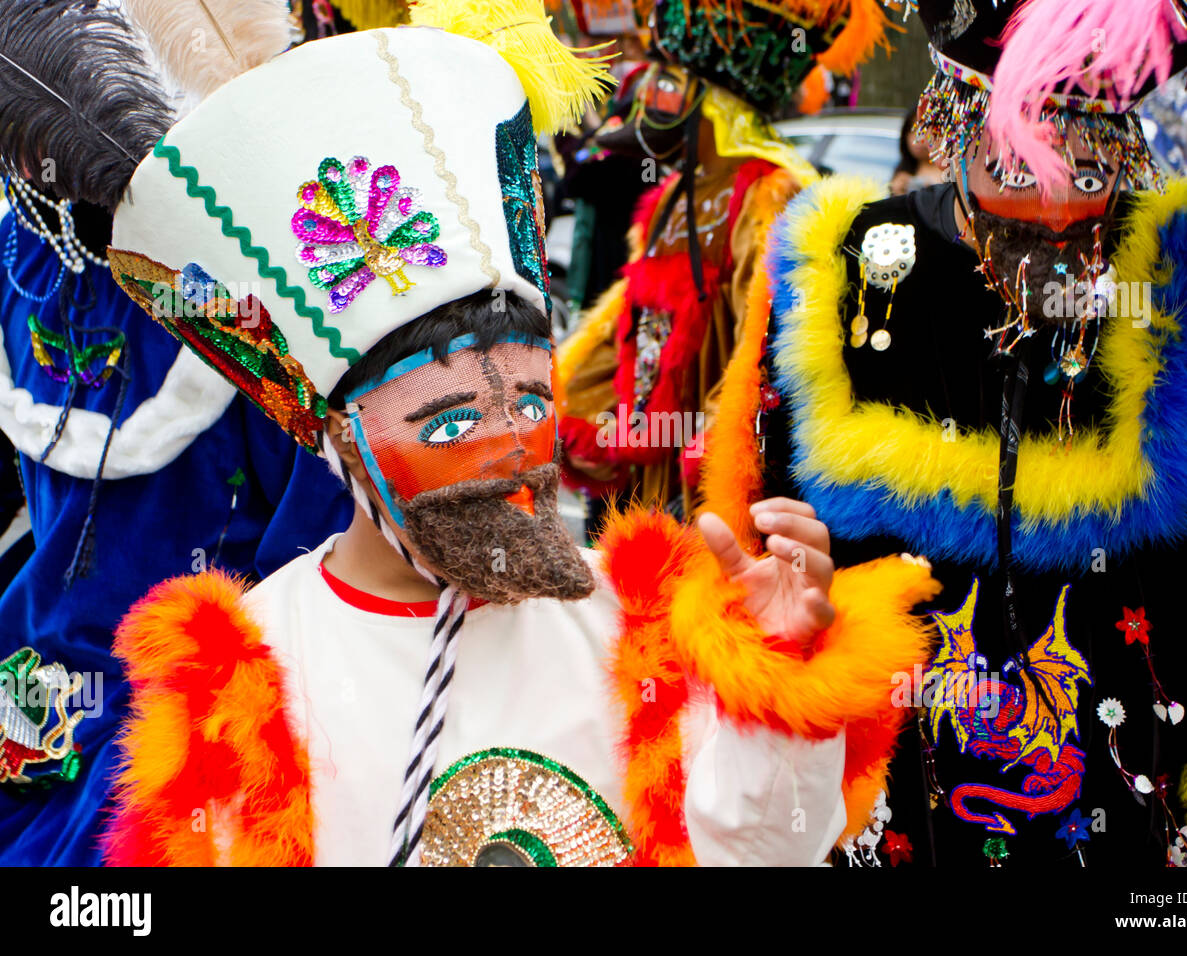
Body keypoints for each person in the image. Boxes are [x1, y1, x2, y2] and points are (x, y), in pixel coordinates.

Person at [91, 0, 939, 867]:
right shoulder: (253, 671)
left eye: (533, 403)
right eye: (452, 418)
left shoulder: (636, 625)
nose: (513, 448)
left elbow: (763, 853)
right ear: (339, 436)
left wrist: (776, 683)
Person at [702, 0, 1187, 866]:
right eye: (1022, 155)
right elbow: (747, 556)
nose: (1056, 194)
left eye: (1093, 159)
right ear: (961, 120)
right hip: (890, 813)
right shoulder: (842, 269)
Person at [0, 0, 351, 865]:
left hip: (205, 683)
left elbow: (317, 530)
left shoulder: (240, 279)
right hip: (37, 667)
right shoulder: (25, 257)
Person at [555, 0, 894, 517]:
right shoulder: (671, 195)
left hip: (709, 495)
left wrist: (713, 458)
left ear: (705, 100)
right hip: (650, 475)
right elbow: (629, 321)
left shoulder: (769, 192)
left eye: (664, 81)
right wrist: (570, 406)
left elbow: (761, 346)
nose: (645, 96)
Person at [890, 105, 946, 196]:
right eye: (912, 130)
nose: (917, 138)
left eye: (923, 131)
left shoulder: (952, 171)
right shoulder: (902, 171)